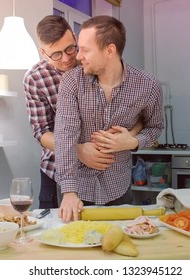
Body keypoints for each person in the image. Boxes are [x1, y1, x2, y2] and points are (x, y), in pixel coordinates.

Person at [23, 15, 141, 209]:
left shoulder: (97, 61)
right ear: (43, 53)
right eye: (56, 54)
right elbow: (40, 132)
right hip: (57, 172)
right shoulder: (35, 79)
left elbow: (138, 112)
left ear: (75, 38)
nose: (68, 58)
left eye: (70, 48)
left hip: (110, 172)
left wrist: (131, 137)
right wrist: (77, 150)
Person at [54, 15, 164, 222]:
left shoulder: (148, 86)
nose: (78, 56)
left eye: (85, 50)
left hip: (119, 188)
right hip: (77, 190)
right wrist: (68, 191)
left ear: (109, 50)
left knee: (116, 246)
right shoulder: (71, 81)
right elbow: (64, 135)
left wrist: (133, 141)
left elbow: (155, 126)